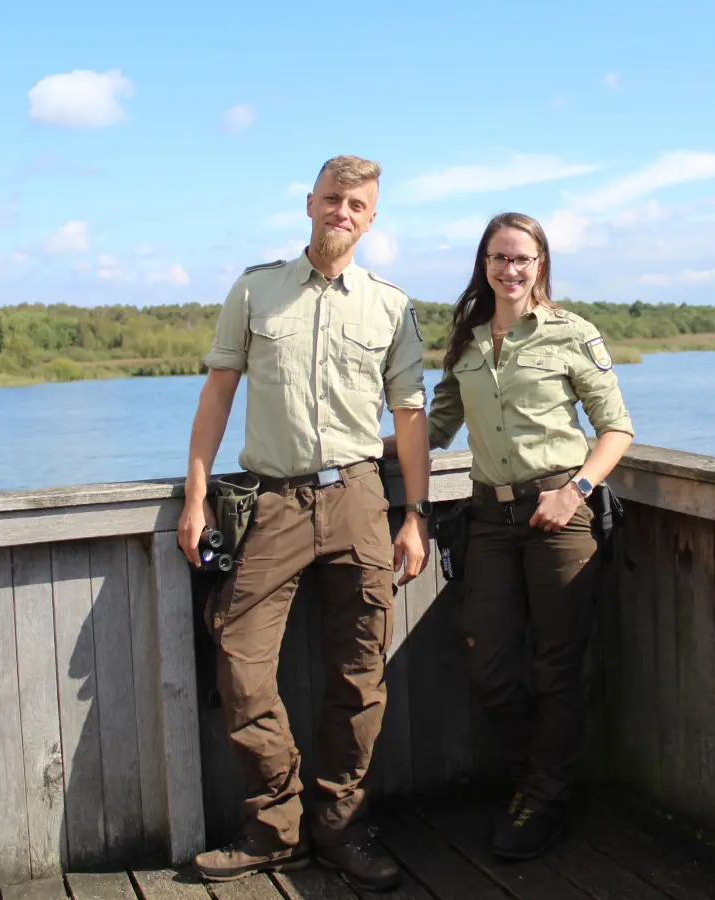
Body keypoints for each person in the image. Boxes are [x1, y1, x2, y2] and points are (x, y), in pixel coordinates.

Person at [181, 154, 433, 891]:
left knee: (360, 672)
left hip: (358, 498)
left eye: (356, 204)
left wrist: (415, 516)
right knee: (239, 657)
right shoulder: (255, 290)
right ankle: (274, 827)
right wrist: (196, 498)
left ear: (371, 219)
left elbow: (410, 419)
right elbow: (216, 396)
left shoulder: (390, 307)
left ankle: (340, 827)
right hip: (274, 502)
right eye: (332, 199)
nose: (341, 212)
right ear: (310, 203)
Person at [386, 211, 634, 860]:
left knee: (556, 670)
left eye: (522, 258)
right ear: (484, 264)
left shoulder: (571, 333)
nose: (510, 269)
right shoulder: (468, 341)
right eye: (499, 257)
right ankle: (536, 780)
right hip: (490, 522)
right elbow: (436, 427)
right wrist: (361, 450)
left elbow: (616, 429)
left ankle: (543, 800)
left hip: (561, 516)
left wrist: (576, 489)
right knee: (488, 665)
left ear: (540, 264)